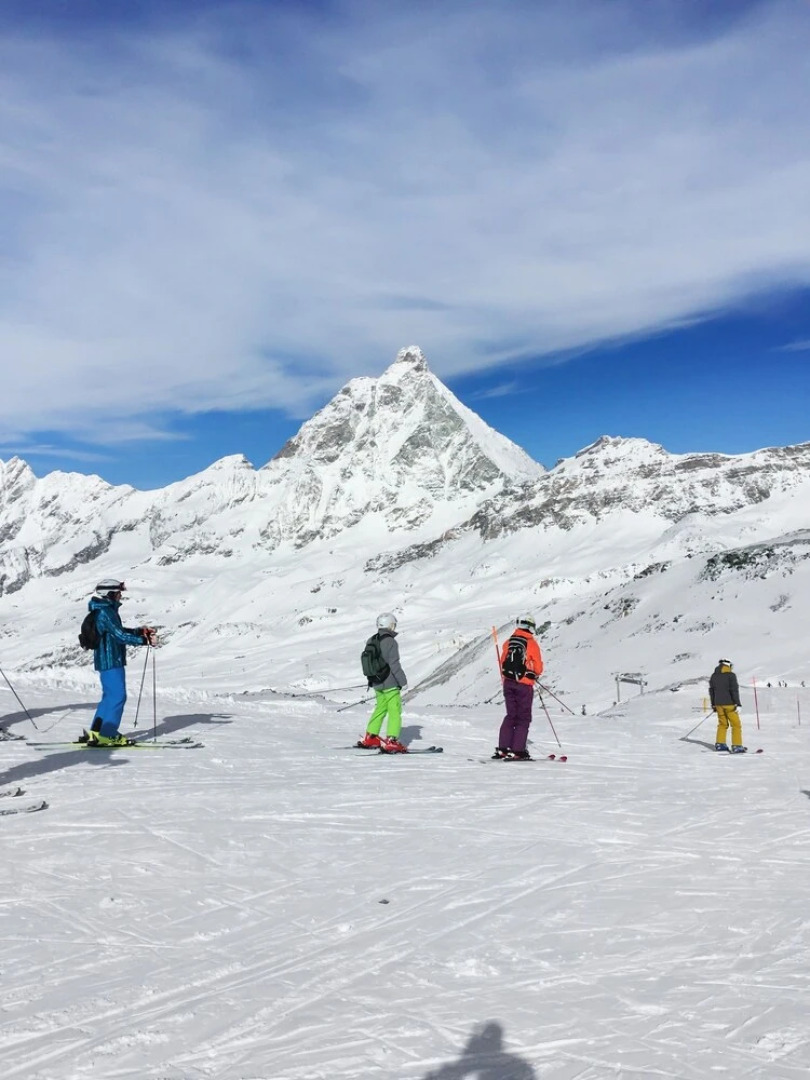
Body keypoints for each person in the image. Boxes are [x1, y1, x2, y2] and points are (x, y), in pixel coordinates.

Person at [80, 579, 156, 746]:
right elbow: (120, 636)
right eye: (118, 592)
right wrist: (145, 641)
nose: (121, 595)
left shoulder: (104, 610)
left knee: (109, 697)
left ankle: (95, 733)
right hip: (111, 659)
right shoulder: (106, 612)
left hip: (107, 660)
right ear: (110, 594)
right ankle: (107, 734)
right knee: (117, 696)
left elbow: (116, 631)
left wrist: (139, 632)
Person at [357, 612, 408, 753]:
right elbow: (394, 664)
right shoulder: (391, 641)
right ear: (390, 625)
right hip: (389, 683)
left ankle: (371, 737)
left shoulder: (372, 639)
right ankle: (392, 740)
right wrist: (403, 681)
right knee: (394, 710)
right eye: (393, 625)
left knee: (380, 708)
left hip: (376, 682)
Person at [494, 616, 544, 760]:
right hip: (524, 685)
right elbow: (538, 667)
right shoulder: (531, 643)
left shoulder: (509, 642)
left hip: (508, 683)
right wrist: (533, 674)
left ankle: (503, 749)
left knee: (511, 716)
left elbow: (503, 662)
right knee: (523, 718)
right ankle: (518, 750)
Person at [709, 657, 745, 753]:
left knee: (722, 724)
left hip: (718, 704)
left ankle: (720, 744)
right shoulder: (731, 675)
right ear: (728, 664)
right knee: (736, 725)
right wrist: (738, 704)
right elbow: (734, 690)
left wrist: (713, 704)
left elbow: (712, 691)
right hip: (729, 704)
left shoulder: (714, 676)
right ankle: (737, 745)